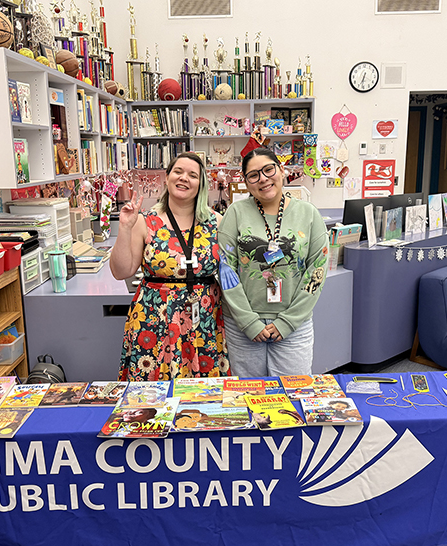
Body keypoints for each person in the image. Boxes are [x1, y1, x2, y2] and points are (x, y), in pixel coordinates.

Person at [111, 151, 229, 381]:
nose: (184, 178)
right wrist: (124, 228)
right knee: (153, 391)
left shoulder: (217, 222)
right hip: (155, 317)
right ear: (167, 177)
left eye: (192, 175)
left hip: (203, 318)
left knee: (204, 394)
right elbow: (121, 272)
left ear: (201, 184)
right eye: (178, 171)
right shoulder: (145, 221)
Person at [218, 147, 329, 377]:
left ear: (282, 170)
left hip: (294, 324)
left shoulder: (308, 213)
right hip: (243, 325)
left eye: (269, 169)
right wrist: (249, 322)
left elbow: (317, 271)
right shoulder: (236, 213)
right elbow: (225, 269)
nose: (264, 179)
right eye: (254, 175)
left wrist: (288, 322)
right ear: (247, 183)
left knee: (294, 394)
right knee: (250, 396)